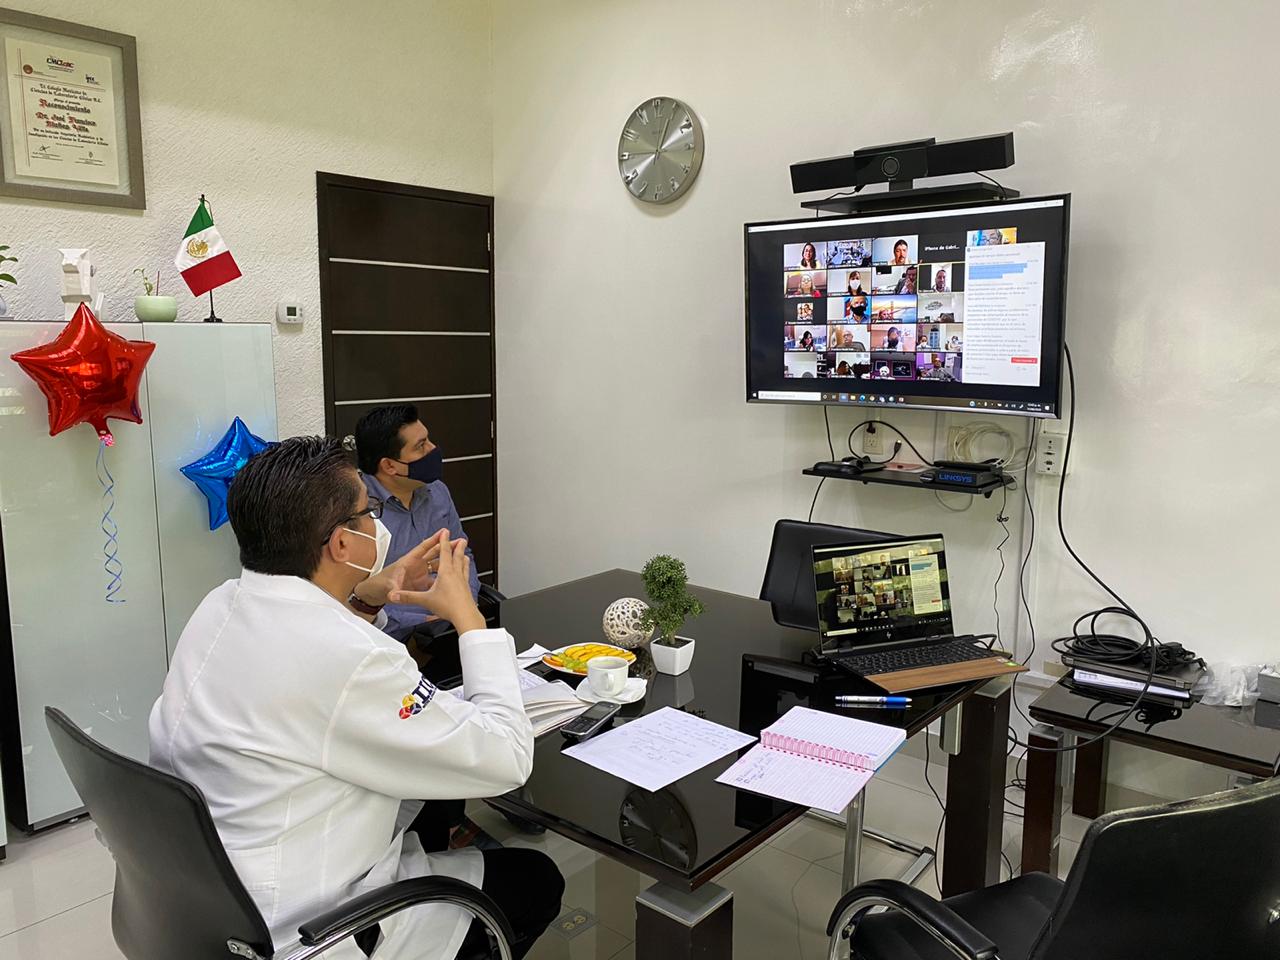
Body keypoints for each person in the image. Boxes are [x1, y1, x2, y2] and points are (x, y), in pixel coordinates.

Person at [149, 437, 564, 960]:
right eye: (367, 512)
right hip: (313, 924)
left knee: (430, 807)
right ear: (342, 543)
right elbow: (507, 759)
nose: (378, 524)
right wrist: (471, 622)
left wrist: (365, 595)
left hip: (219, 891)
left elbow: (313, 654)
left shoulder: (221, 603)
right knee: (535, 879)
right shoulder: (356, 660)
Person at [354, 406, 479, 644]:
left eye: (428, 439)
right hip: (391, 642)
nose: (433, 449)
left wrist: (464, 606)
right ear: (390, 466)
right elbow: (352, 596)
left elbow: (464, 555)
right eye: (421, 446)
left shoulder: (437, 491)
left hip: (450, 633)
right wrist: (423, 621)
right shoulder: (355, 510)